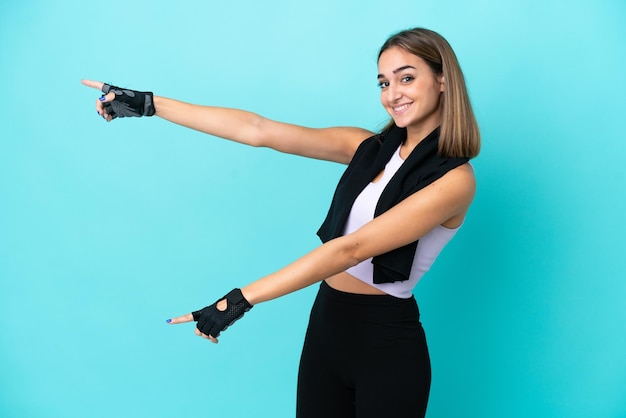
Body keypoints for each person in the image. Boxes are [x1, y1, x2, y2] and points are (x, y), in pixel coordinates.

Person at [82, 27, 480, 418]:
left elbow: (350, 248)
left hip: (387, 343)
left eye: (406, 78)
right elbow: (259, 130)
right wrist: (151, 104)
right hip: (327, 325)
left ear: (442, 79)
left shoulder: (454, 181)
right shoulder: (368, 148)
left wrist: (240, 299)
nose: (392, 94)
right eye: (383, 83)